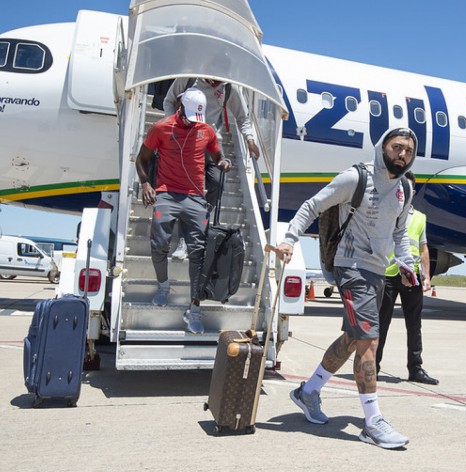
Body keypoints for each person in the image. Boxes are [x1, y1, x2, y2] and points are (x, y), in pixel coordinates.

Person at [274, 128, 418, 449]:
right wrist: (289, 239)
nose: (403, 154)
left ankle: (308, 391)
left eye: (409, 150)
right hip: (351, 266)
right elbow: (311, 205)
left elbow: (399, 233)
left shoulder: (404, 190)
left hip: (378, 272)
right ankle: (372, 421)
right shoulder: (356, 178)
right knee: (369, 341)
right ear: (383, 147)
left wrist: (406, 264)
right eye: (397, 147)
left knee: (354, 338)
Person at [135, 88, 231, 334]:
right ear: (180, 107)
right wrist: (146, 183)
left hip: (195, 197)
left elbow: (217, 155)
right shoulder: (161, 127)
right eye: (189, 116)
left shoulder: (206, 130)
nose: (192, 122)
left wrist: (222, 162)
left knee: (199, 253)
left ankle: (194, 309)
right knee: (159, 244)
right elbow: (141, 159)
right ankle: (163, 286)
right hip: (166, 193)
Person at [163, 77, 261, 259]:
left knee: (217, 183)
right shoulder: (189, 78)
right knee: (191, 191)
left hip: (212, 142)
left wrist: (250, 139)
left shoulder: (229, 88)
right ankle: (184, 239)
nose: (217, 81)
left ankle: (197, 222)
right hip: (187, 142)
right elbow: (168, 101)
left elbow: (242, 117)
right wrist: (172, 127)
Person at [376, 171, 439, 385]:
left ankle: (416, 368)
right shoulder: (386, 213)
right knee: (381, 323)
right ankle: (372, 366)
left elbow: (423, 248)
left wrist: (427, 276)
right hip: (388, 274)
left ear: (413, 191)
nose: (405, 191)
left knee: (414, 324)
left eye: (408, 187)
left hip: (411, 276)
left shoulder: (420, 218)